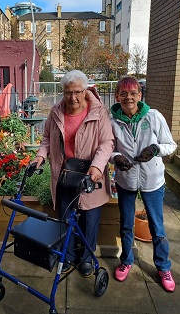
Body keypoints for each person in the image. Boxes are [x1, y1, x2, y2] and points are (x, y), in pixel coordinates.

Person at [32, 70, 114, 277]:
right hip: (64, 174)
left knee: (89, 218)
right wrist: (40, 156)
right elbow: (46, 137)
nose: (73, 97)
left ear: (85, 91)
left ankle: (86, 258)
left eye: (77, 92)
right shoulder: (56, 111)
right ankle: (67, 255)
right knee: (66, 217)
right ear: (63, 92)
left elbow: (107, 142)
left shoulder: (99, 111)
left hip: (89, 175)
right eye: (68, 92)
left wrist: (97, 167)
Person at [110, 76, 177, 292]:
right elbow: (108, 148)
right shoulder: (112, 121)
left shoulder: (154, 116)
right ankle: (127, 260)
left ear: (140, 95)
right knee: (126, 224)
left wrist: (155, 149)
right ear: (117, 96)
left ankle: (163, 267)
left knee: (157, 228)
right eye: (123, 93)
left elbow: (170, 144)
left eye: (133, 93)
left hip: (153, 181)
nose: (128, 97)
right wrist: (116, 157)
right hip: (126, 180)